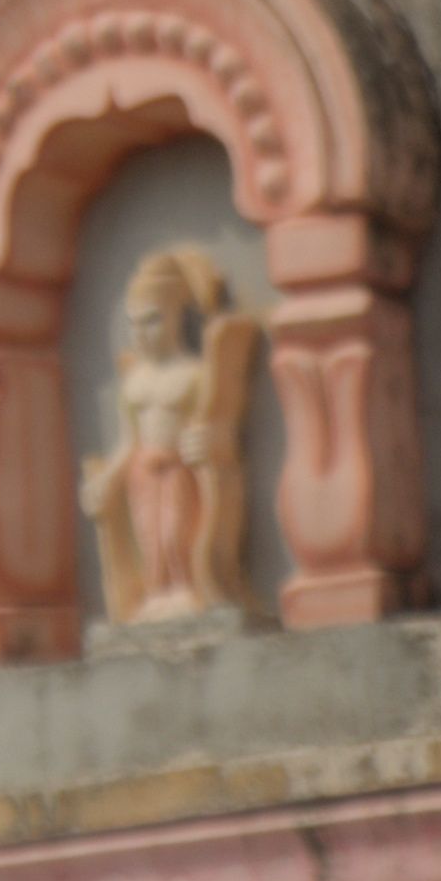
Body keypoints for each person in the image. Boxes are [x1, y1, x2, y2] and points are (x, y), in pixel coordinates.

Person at [83, 242, 265, 626]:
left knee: (176, 536)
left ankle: (186, 589)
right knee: (150, 541)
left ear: (177, 317)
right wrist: (106, 481)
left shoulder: (195, 374)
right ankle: (158, 592)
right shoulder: (133, 382)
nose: (141, 333)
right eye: (134, 323)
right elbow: (127, 444)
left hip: (180, 471)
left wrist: (211, 444)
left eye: (152, 320)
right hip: (142, 476)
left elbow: (218, 427)